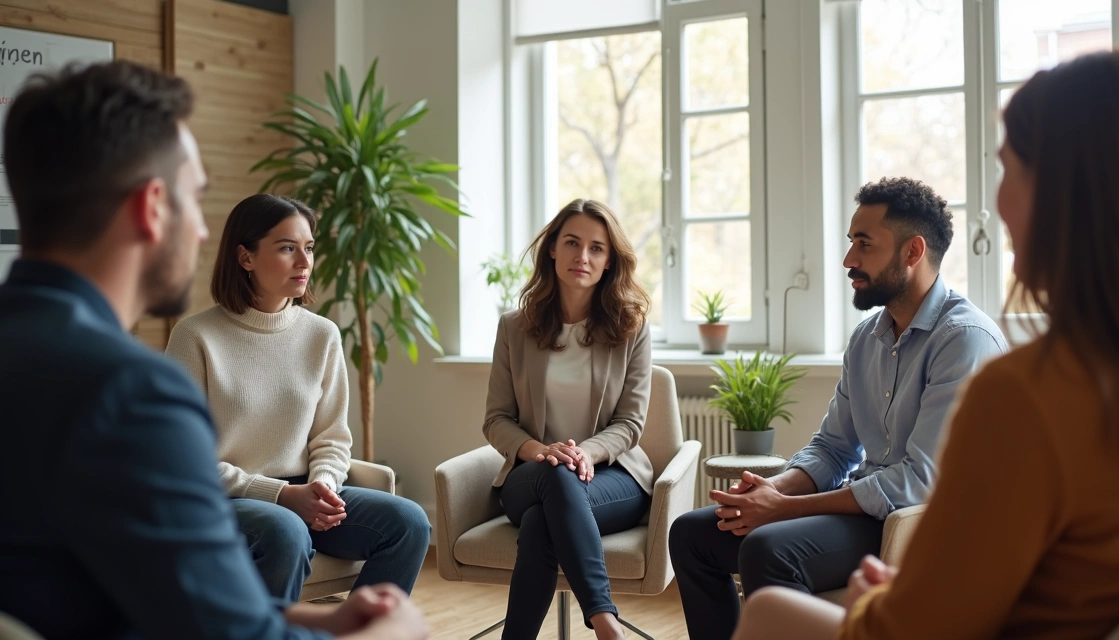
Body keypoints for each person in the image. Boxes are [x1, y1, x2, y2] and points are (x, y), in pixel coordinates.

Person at [731, 50, 1119, 640]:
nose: (1001, 204)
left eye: (1009, 170)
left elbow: (910, 627)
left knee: (766, 614)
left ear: (1064, 194)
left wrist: (868, 603)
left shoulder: (1023, 393)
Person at [0, 60, 428, 640]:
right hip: (259, 507)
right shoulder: (128, 391)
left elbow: (98, 589)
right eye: (194, 199)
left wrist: (300, 616)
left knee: (401, 521)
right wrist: (388, 633)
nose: (203, 232)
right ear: (152, 207)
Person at [669, 177, 1008, 640]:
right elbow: (832, 448)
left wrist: (784, 509)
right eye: (851, 242)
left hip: (919, 525)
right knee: (693, 535)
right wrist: (774, 488)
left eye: (864, 244)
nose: (849, 259)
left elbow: (918, 482)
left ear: (913, 252)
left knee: (770, 549)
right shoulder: (866, 338)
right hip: (865, 512)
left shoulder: (964, 340)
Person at [166, 193, 431, 602]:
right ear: (245, 257)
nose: (305, 261)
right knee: (285, 530)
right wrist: (281, 496)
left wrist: (322, 488)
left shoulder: (321, 334)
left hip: (305, 490)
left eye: (308, 247)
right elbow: (181, 459)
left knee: (409, 521)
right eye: (287, 248)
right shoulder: (195, 336)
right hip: (227, 499)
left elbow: (332, 437)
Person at [483, 198, 653, 640]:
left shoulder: (632, 327)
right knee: (554, 476)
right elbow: (497, 419)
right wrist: (541, 451)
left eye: (597, 248)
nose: (583, 256)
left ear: (609, 260)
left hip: (612, 478)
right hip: (530, 475)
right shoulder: (514, 328)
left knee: (543, 521)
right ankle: (605, 623)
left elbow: (631, 423)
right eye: (572, 243)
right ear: (552, 250)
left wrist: (584, 453)